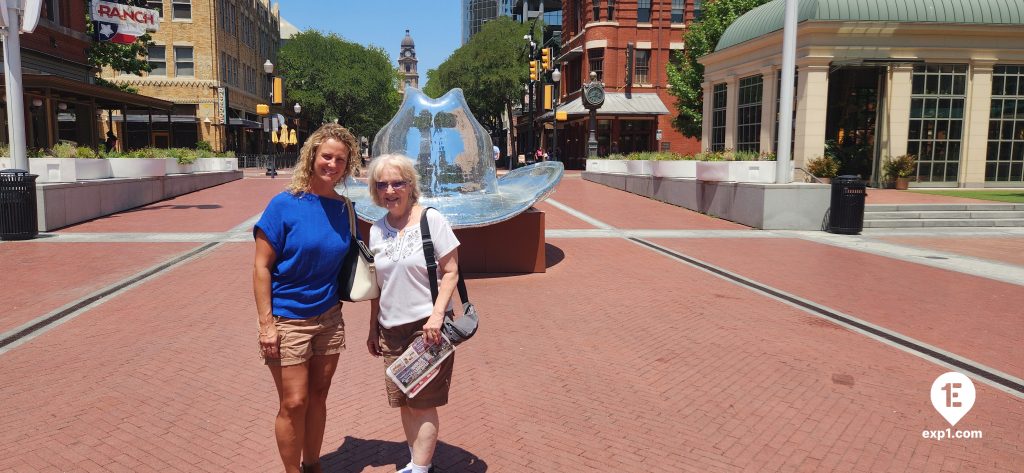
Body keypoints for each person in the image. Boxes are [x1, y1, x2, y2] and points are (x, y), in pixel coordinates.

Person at [253, 123, 359, 473]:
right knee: (293, 402)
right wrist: (267, 325)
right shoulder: (284, 204)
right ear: (312, 156)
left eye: (340, 160)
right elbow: (261, 267)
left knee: (318, 398)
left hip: (329, 318)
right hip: (288, 320)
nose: (332, 164)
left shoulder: (346, 209)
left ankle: (313, 465)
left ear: (348, 164)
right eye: (326, 156)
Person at [365, 154, 460, 473]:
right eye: (382, 185)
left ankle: (420, 467)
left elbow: (451, 272)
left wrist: (436, 317)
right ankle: (417, 461)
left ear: (410, 185)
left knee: (422, 401)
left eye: (397, 183)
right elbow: (377, 285)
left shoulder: (431, 220)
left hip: (427, 329)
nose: (390, 190)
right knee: (404, 400)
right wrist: (372, 326)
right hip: (391, 330)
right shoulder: (376, 230)